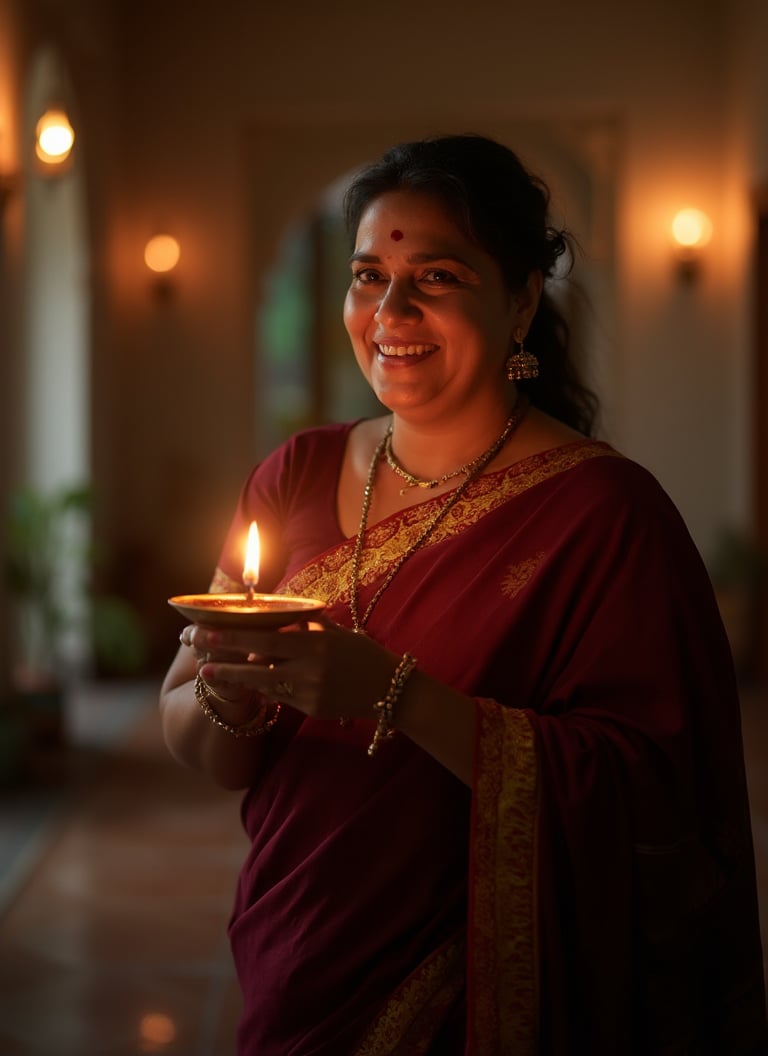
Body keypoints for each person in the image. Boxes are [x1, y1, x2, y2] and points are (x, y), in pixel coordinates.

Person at [160, 133, 768, 1055]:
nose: (390, 309)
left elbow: (657, 797)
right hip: (297, 952)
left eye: (436, 276)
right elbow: (201, 740)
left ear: (522, 300)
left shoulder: (604, 514)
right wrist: (225, 693)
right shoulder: (295, 473)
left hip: (471, 993)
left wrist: (395, 696)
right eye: (368, 275)